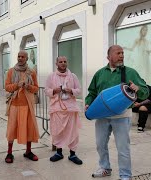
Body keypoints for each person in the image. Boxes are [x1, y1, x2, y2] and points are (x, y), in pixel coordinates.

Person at [85, 45, 149, 180]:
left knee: (123, 148)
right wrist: (88, 103)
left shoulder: (130, 72)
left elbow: (145, 91)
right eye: (118, 53)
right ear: (108, 57)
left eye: (122, 53)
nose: (121, 55)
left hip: (122, 116)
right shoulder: (100, 73)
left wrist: (138, 89)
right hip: (102, 115)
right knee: (100, 145)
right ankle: (105, 168)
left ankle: (125, 176)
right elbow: (92, 92)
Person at [45, 56, 83, 165]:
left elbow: (79, 90)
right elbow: (46, 90)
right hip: (57, 107)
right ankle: (59, 152)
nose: (63, 63)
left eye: (65, 61)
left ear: (67, 63)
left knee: (72, 131)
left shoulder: (73, 76)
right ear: (56, 63)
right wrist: (54, 90)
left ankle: (73, 154)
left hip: (70, 108)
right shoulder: (51, 76)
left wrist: (71, 90)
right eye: (60, 62)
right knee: (57, 130)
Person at [4, 50, 39, 163]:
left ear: (26, 58)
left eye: (22, 57)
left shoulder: (31, 72)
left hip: (28, 105)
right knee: (12, 129)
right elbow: (7, 87)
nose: (20, 58)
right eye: (18, 56)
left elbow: (36, 88)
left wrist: (29, 87)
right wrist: (16, 85)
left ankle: (28, 151)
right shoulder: (11, 71)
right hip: (14, 105)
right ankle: (9, 153)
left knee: (29, 128)